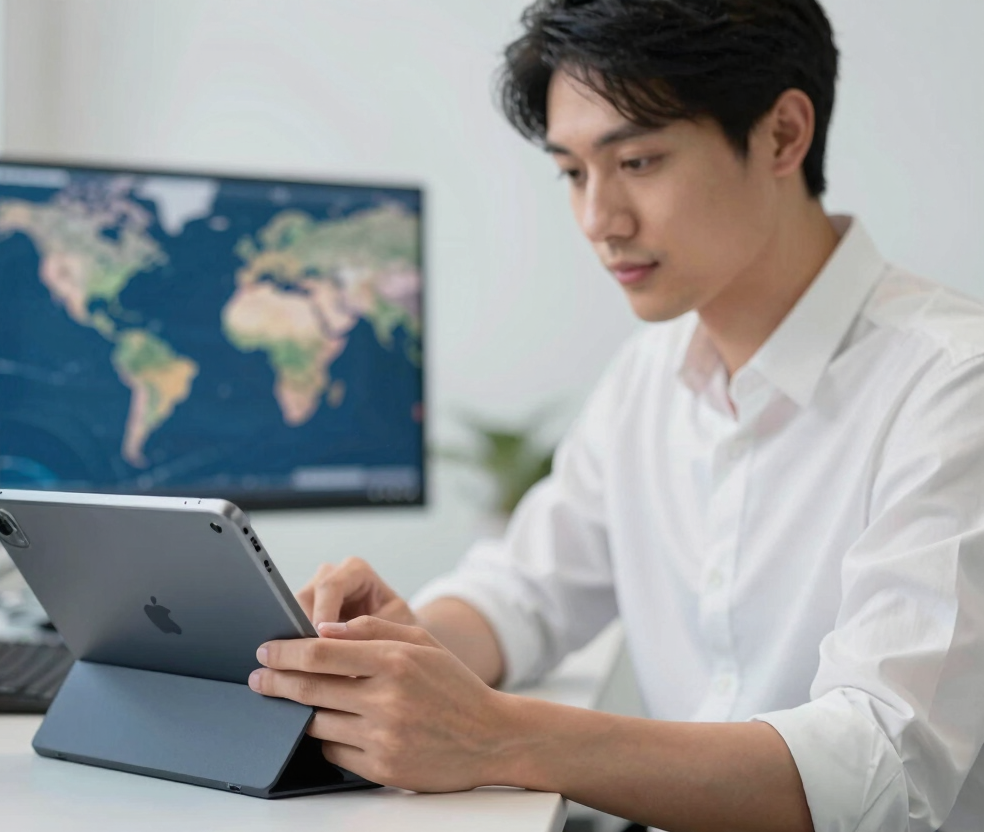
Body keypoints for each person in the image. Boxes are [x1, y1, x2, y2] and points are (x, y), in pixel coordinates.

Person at [246, 1, 984, 829]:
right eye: (571, 172)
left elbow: (884, 769)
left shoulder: (955, 386)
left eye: (636, 161)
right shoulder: (651, 374)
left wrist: (494, 736)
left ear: (783, 134)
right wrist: (401, 648)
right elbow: (525, 591)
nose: (600, 220)